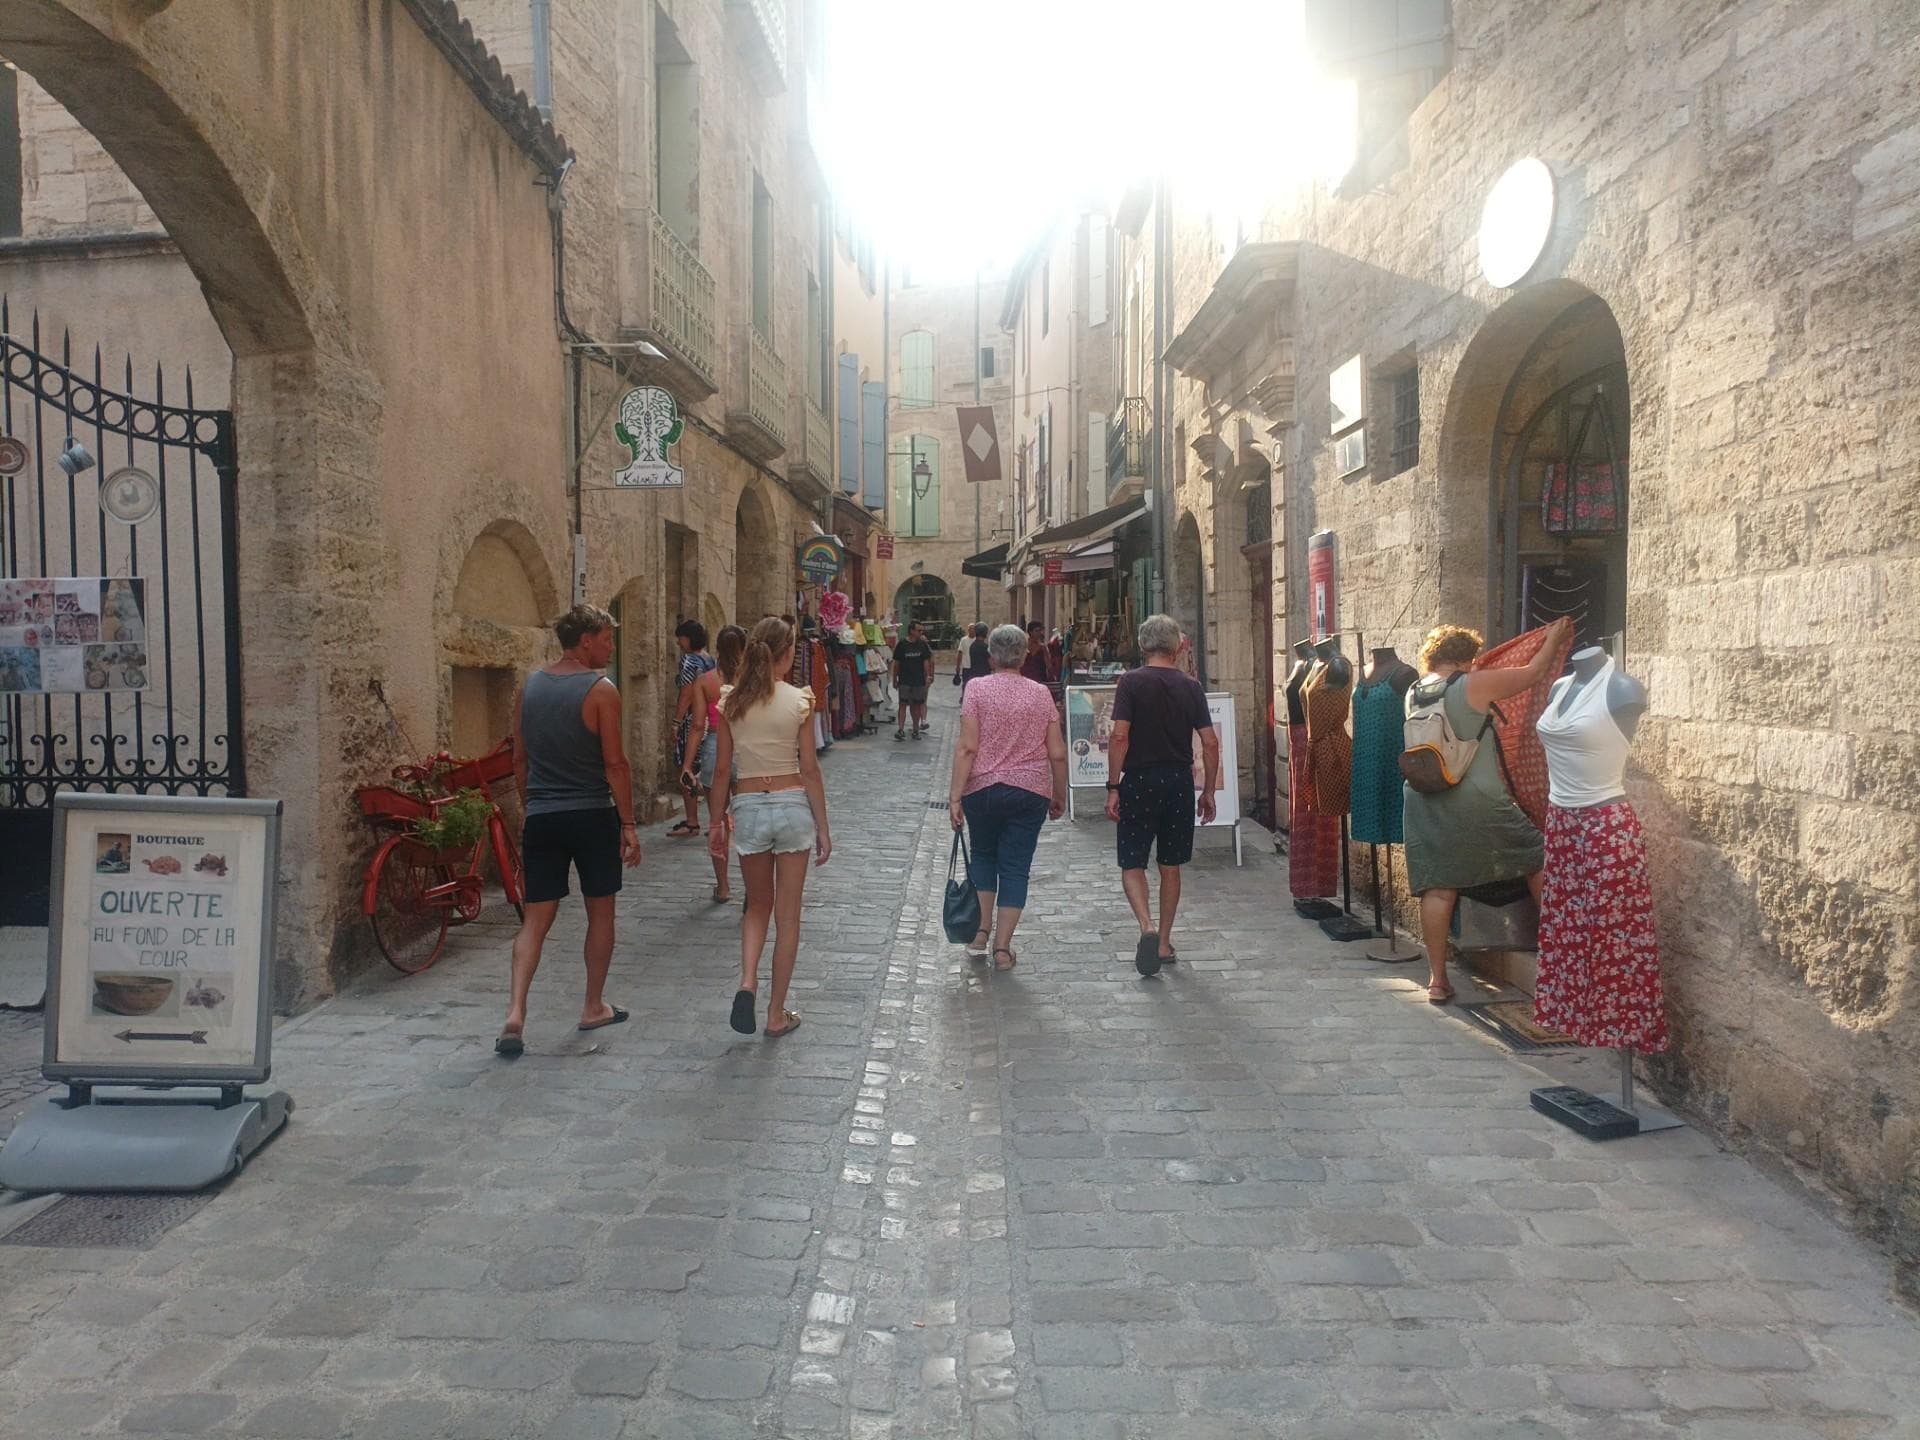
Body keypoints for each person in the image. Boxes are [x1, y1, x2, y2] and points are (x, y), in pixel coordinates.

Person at [496, 604, 643, 1056]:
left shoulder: (530, 688)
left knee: (535, 920)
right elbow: (615, 764)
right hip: (592, 814)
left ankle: (515, 1011)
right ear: (585, 641)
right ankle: (593, 1005)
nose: (611, 647)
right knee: (601, 913)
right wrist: (628, 822)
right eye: (607, 639)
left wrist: (531, 805)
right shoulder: (601, 691)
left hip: (543, 815)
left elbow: (519, 757)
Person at [1403, 616, 1572, 1004]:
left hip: (1423, 797)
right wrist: (1553, 638)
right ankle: (1561, 961)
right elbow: (1533, 672)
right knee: (1537, 856)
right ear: (1468, 657)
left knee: (1439, 887)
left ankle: (1438, 980)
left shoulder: (1414, 691)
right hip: (1476, 798)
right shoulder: (1471, 684)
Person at [708, 616, 831, 1038]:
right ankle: (776, 1014)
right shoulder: (799, 700)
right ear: (787, 653)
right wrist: (823, 827)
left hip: (748, 806)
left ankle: (747, 982)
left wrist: (715, 822)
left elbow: (722, 770)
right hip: (791, 803)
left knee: (757, 905)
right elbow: (810, 769)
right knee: (788, 916)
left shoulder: (731, 701)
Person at [948, 624, 1068, 971]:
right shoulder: (1040, 694)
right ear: (1025, 655)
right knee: (1016, 867)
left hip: (982, 788)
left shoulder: (976, 689)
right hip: (1029, 790)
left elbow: (967, 747)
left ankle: (980, 935)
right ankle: (1002, 949)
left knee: (983, 857)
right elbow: (1057, 753)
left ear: (991, 657)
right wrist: (1058, 794)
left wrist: (955, 796)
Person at [1104, 615, 1219, 977]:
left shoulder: (1131, 683)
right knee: (1170, 865)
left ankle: (1146, 926)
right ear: (1177, 647)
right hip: (1178, 782)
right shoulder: (1191, 687)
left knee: (1132, 861)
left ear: (1143, 645)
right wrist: (1209, 791)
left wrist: (1113, 785)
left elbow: (1120, 736)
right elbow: (1210, 742)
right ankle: (1165, 942)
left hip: (1139, 780)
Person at [681, 623, 747, 904]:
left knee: (717, 821)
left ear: (717, 649)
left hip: (713, 747)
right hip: (745, 749)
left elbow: (698, 725)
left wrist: (687, 765)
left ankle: (723, 886)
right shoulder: (750, 680)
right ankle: (752, 885)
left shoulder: (705, 681)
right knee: (747, 820)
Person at [668, 620, 714, 838]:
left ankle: (692, 821)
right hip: (708, 719)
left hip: (691, 720)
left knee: (686, 768)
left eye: (681, 637)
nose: (678, 642)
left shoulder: (689, 661)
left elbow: (686, 693)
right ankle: (717, 821)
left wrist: (676, 721)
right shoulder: (709, 659)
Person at [892, 620, 937, 740]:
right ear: (912, 631)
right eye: (919, 630)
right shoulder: (902, 644)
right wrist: (894, 679)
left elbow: (926, 662)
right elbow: (897, 663)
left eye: (922, 630)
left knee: (916, 705)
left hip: (918, 680)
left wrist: (928, 676)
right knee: (902, 704)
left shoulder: (922, 645)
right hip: (904, 680)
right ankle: (900, 729)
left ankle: (915, 730)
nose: (921, 632)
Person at [955, 622, 990, 691]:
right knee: (966, 684)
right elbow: (960, 653)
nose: (971, 630)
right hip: (966, 667)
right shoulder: (964, 640)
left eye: (973, 629)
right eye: (970, 629)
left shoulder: (977, 641)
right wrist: (958, 666)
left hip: (975, 667)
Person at [1019, 621, 1053, 686]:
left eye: (1040, 631)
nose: (1039, 633)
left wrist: (1051, 677)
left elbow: (1048, 664)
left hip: (1039, 678)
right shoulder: (1023, 646)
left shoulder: (1043, 648)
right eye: (1037, 631)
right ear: (1030, 632)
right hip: (1024, 677)